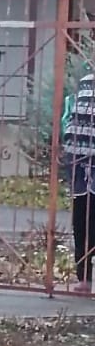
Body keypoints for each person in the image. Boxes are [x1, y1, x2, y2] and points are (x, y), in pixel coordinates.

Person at [62, 66, 95, 289]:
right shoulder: (86, 82)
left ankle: (84, 276)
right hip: (81, 163)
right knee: (82, 222)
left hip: (79, 162)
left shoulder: (85, 81)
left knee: (84, 222)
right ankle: (83, 276)